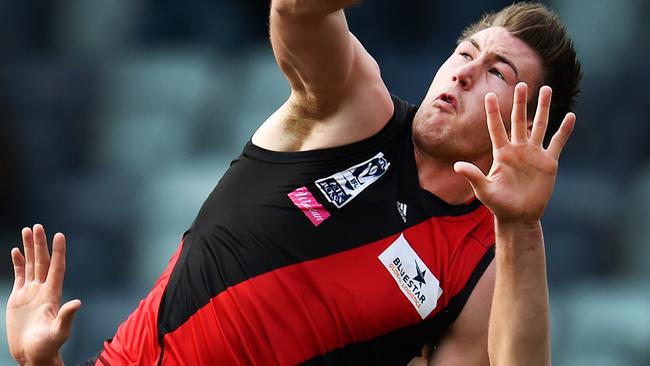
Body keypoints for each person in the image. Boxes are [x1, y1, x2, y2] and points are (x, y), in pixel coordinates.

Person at [6, 1, 581, 365]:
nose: (462, 72)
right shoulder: (355, 111)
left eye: (495, 74)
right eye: (464, 52)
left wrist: (522, 227)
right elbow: (297, 12)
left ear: (529, 121)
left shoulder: (485, 265)